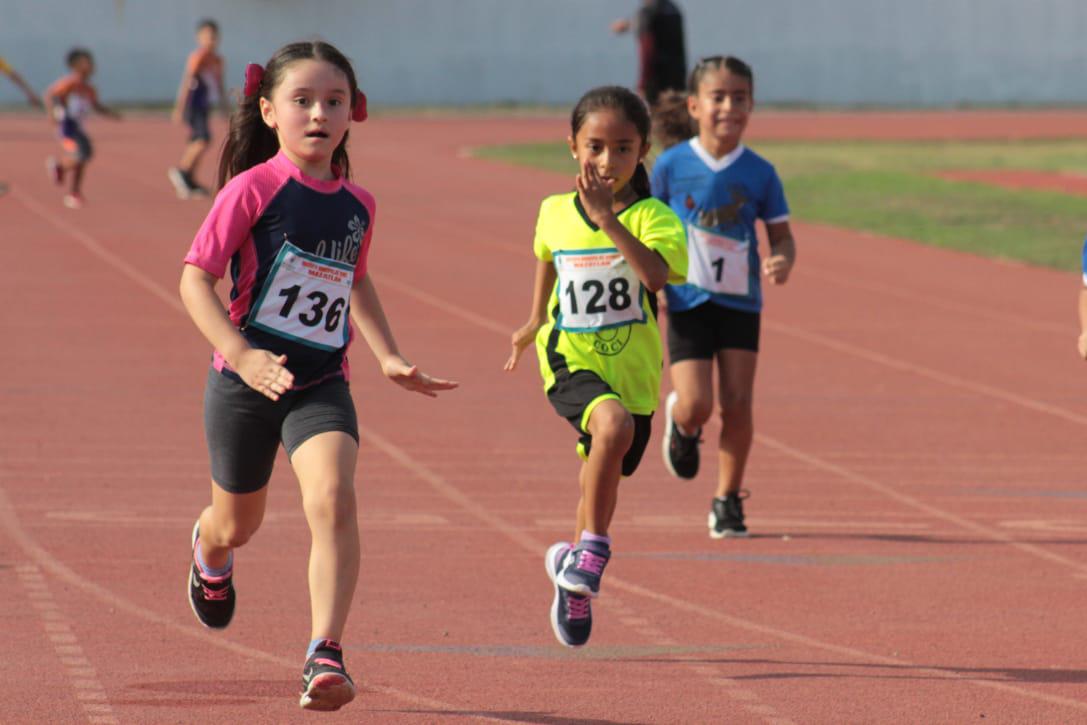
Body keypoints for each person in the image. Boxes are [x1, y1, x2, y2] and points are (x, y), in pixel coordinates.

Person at [179, 40, 457, 711]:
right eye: (301, 101)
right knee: (236, 523)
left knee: (333, 496)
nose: (317, 114)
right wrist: (242, 354)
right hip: (245, 385)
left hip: (320, 382)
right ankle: (208, 552)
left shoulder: (357, 204)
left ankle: (323, 650)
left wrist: (387, 353)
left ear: (352, 112)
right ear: (269, 111)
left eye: (332, 101)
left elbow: (354, 279)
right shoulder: (252, 190)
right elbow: (195, 281)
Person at [505, 86, 686, 648]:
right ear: (572, 147)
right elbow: (547, 260)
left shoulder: (656, 217)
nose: (609, 162)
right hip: (567, 355)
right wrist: (534, 321)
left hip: (633, 371)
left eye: (624, 148)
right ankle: (594, 553)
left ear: (644, 150)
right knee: (610, 427)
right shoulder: (554, 211)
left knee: (603, 470)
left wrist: (610, 221)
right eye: (596, 148)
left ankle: (570, 572)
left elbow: (657, 278)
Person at [652, 56, 797, 539]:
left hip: (741, 303)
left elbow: (781, 236)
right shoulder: (672, 166)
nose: (729, 107)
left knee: (737, 403)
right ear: (695, 106)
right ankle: (684, 425)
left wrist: (781, 259)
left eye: (739, 98)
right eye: (718, 97)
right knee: (697, 403)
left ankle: (727, 500)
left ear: (752, 105)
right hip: (688, 302)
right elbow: (645, 225)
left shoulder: (761, 173)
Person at [43, 48, 120, 209]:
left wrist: (111, 114)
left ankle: (73, 190)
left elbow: (96, 106)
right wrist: (53, 114)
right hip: (68, 126)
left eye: (92, 62)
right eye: (88, 63)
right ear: (76, 66)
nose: (92, 66)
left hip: (78, 127)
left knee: (85, 156)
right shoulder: (71, 82)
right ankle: (61, 169)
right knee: (82, 154)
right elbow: (51, 95)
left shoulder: (89, 88)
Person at [169, 18, 226, 198]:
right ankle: (182, 171)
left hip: (204, 105)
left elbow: (219, 84)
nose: (211, 40)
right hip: (193, 104)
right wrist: (179, 107)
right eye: (207, 36)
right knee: (203, 139)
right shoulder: (198, 57)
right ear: (199, 38)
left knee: (197, 139)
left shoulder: (217, 60)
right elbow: (188, 81)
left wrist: (224, 106)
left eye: (214, 36)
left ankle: (190, 178)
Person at [611, 0, 687, 106]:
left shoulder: (645, 13)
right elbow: (656, 23)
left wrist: (642, 84)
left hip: (656, 82)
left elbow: (647, 52)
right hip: (677, 80)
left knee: (657, 117)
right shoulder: (673, 9)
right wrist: (629, 24)